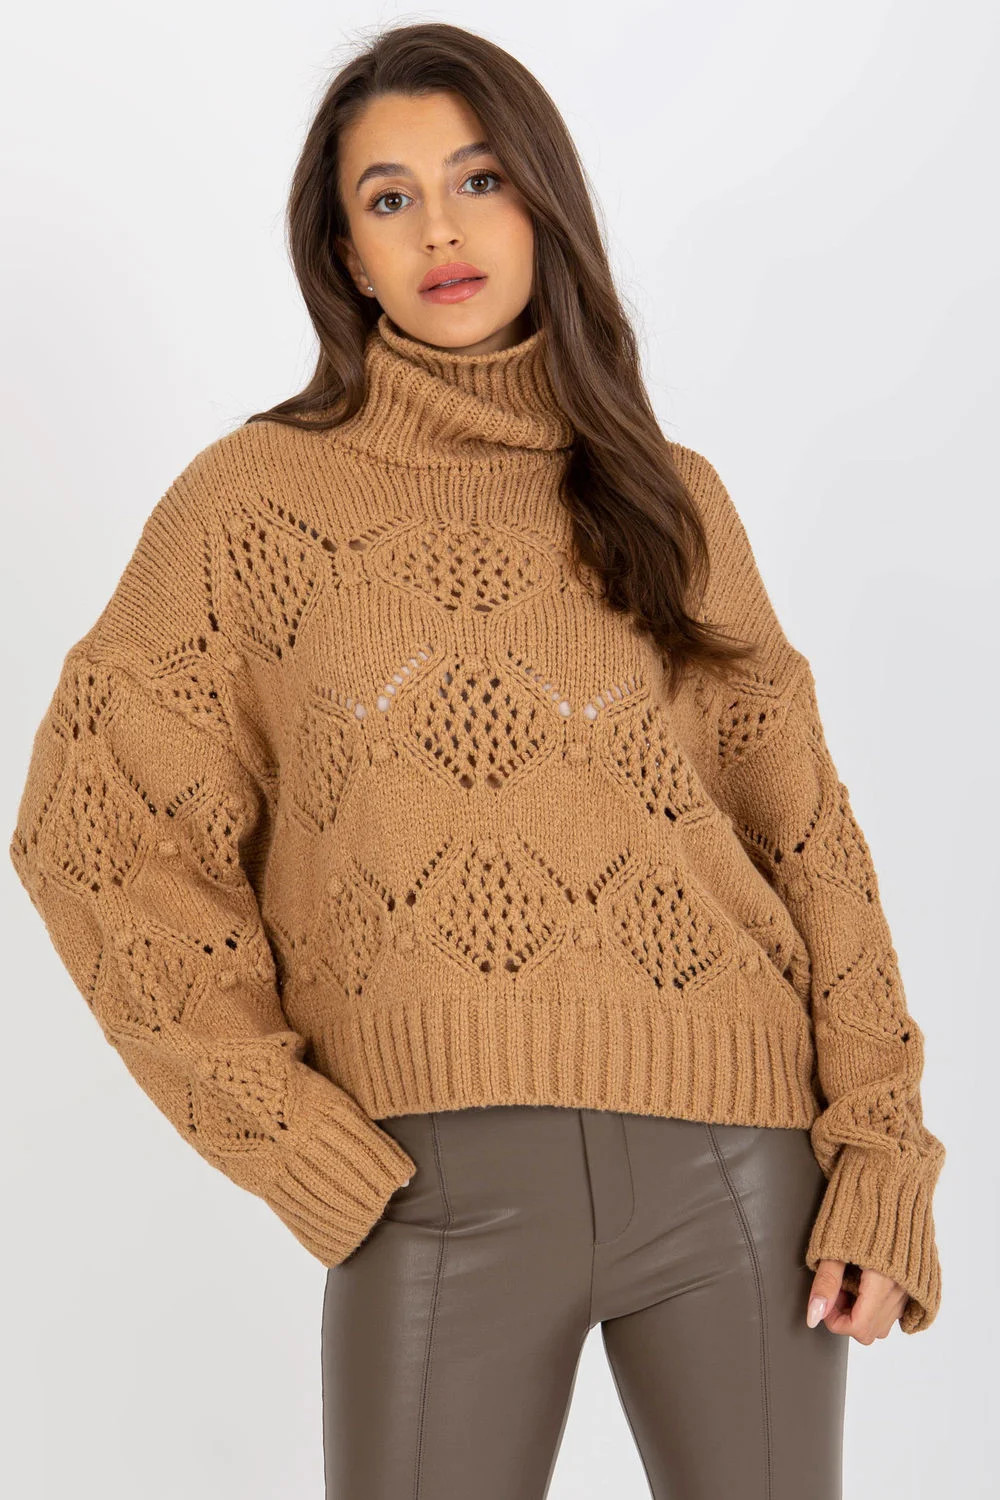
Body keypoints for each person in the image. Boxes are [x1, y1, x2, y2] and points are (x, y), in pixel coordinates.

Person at [9, 20, 945, 1500]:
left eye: (479, 179)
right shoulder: (249, 509)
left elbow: (807, 839)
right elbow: (94, 833)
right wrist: (286, 1135)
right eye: (390, 198)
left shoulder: (668, 497)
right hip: (429, 1193)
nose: (440, 229)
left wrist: (882, 1156)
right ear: (347, 252)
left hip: (739, 1173)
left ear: (541, 205)